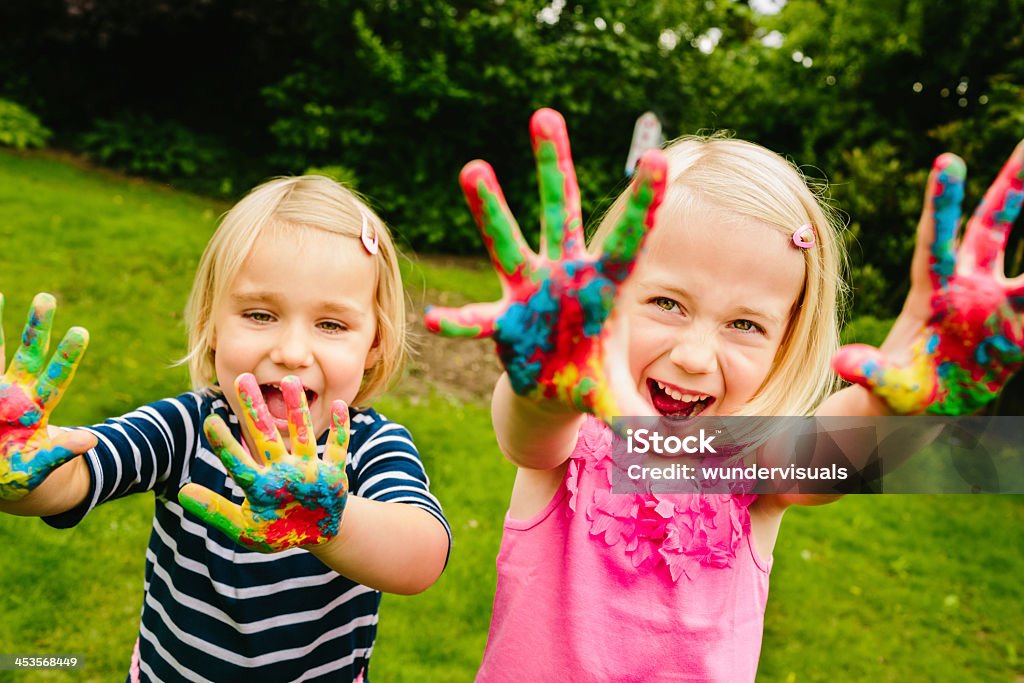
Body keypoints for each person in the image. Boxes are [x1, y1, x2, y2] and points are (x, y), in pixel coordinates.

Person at [426, 108, 1024, 680]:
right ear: (606, 297)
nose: (693, 355)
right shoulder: (566, 439)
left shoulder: (751, 465)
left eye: (745, 324)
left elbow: (837, 452)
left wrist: (895, 405)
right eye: (667, 303)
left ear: (787, 341)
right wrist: (547, 387)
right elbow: (526, 432)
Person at [0, 176, 452, 682]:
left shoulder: (372, 446)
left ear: (374, 345)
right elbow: (75, 474)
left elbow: (421, 558)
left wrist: (328, 519)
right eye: (260, 314)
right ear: (213, 324)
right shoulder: (189, 428)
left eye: (331, 325)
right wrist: (21, 465)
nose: (291, 352)